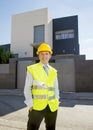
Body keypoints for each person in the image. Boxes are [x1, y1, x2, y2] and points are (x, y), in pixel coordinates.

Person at [24, 43, 59, 130]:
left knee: (51, 128)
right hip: (36, 107)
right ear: (38, 55)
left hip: (52, 106)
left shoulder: (54, 71)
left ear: (50, 55)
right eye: (42, 54)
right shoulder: (32, 69)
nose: (44, 56)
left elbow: (56, 88)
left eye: (46, 54)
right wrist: (30, 104)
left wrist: (57, 100)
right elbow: (27, 88)